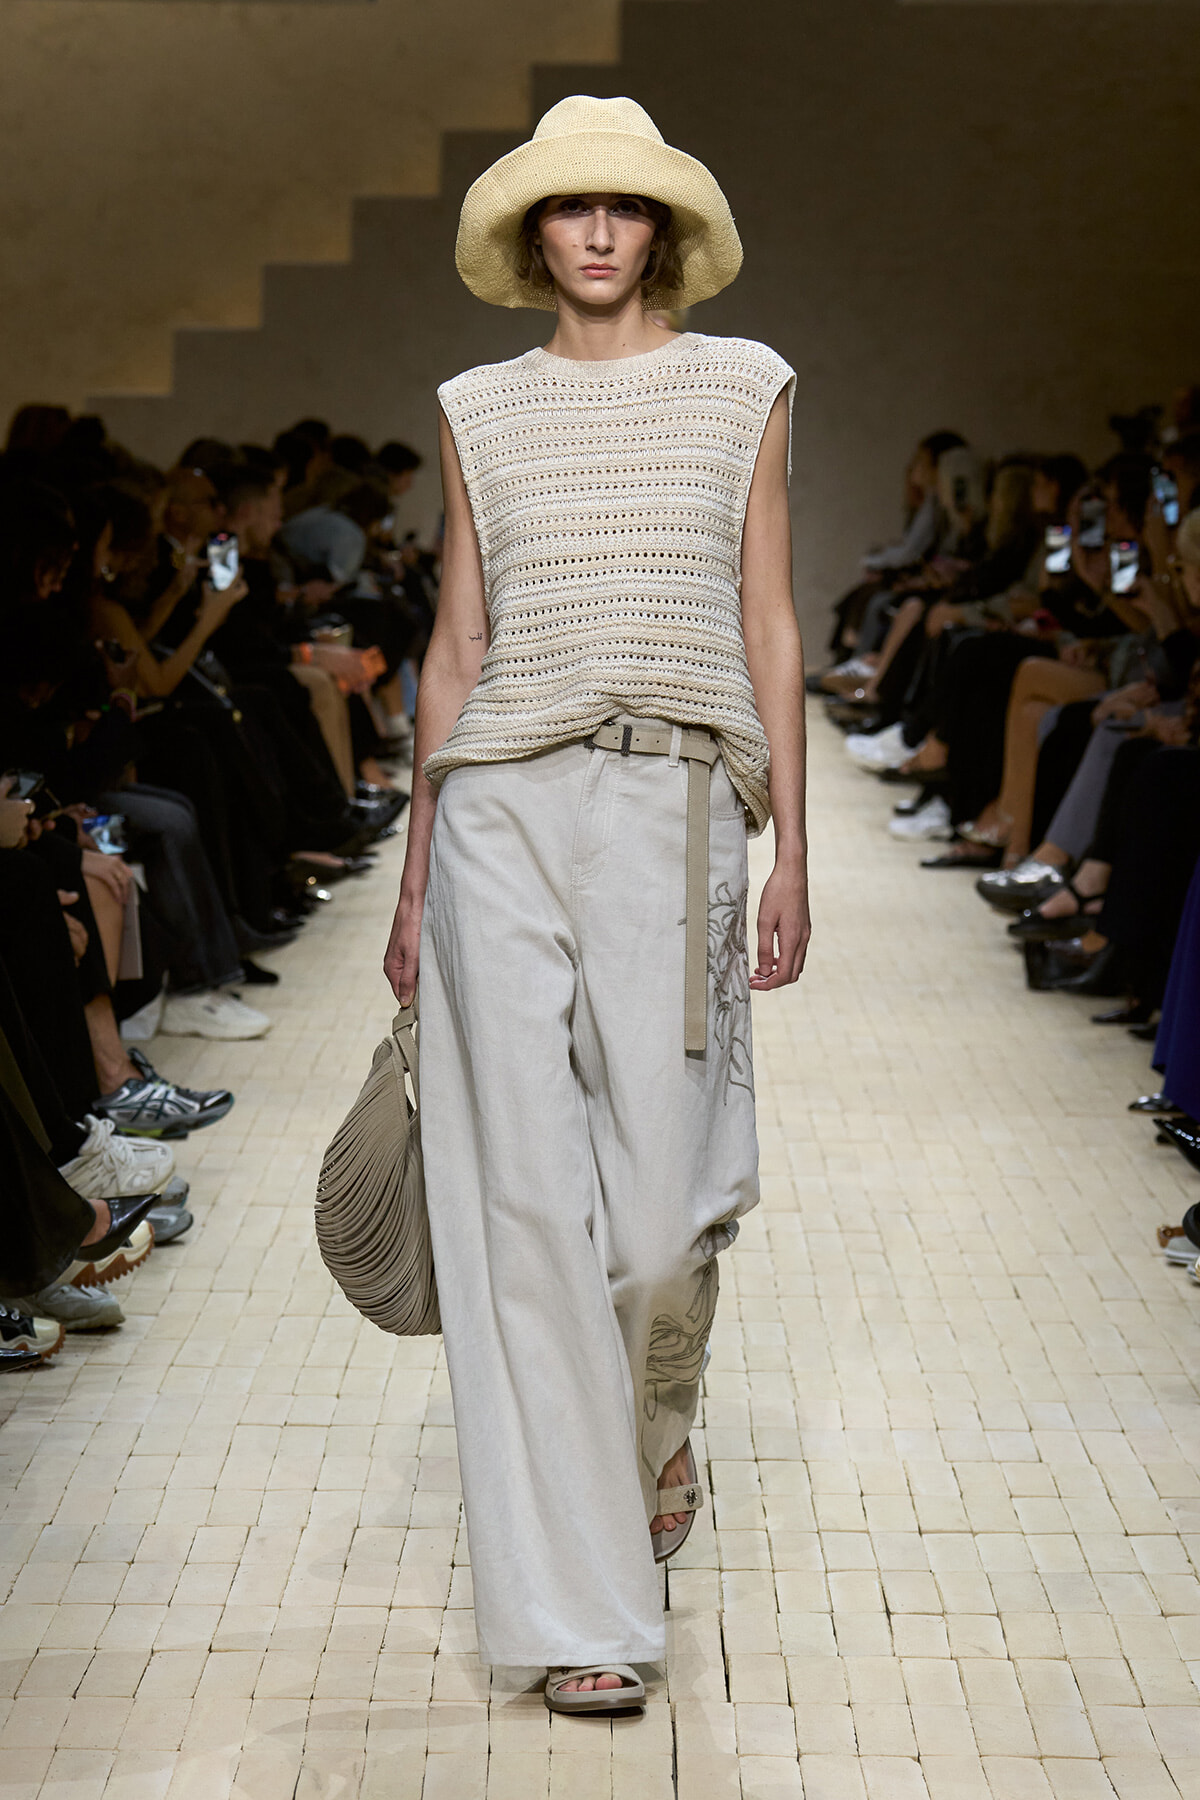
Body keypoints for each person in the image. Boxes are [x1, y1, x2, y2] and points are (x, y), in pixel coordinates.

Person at [382, 95, 810, 1715]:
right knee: (519, 1214)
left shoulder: (745, 384)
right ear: (534, 236)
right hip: (498, 806)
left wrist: (797, 849)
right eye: (571, 208)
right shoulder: (477, 405)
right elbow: (457, 640)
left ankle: (652, 1424)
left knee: (650, 1226)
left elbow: (769, 618)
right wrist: (419, 865)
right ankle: (579, 1616)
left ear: (668, 232)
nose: (601, 231)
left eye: (626, 207)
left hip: (676, 798)